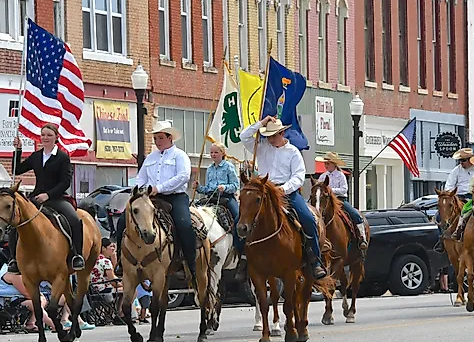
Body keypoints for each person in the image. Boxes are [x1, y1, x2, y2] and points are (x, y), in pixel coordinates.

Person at [240, 116, 327, 279]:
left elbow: (298, 176)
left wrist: (283, 189)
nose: (271, 139)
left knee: (308, 218)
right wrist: (261, 123)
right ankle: (242, 258)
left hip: (286, 193)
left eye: (274, 135)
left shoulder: (293, 152)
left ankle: (315, 260)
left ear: (282, 133)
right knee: (244, 218)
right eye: (268, 135)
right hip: (264, 191)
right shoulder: (262, 147)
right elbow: (243, 136)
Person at [116, 121, 198, 286]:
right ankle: (121, 260)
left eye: (160, 137)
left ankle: (190, 264)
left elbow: (183, 176)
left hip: (175, 197)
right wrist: (141, 189)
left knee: (184, 224)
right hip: (151, 198)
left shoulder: (180, 155)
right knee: (122, 222)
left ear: (170, 138)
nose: (157, 141)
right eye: (155, 137)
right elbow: (141, 177)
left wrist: (159, 187)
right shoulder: (151, 158)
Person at [11, 123, 84, 273]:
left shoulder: (63, 157)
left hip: (56, 198)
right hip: (36, 197)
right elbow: (17, 170)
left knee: (75, 221)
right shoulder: (36, 156)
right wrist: (18, 150)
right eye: (43, 135)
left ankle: (77, 255)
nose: (45, 138)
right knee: (15, 221)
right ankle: (13, 259)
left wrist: (48, 195)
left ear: (56, 137)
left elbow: (65, 182)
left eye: (49, 135)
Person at [192, 142, 246, 278]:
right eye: (211, 152)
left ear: (223, 153)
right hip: (211, 198)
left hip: (227, 198)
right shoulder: (209, 168)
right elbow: (208, 189)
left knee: (238, 218)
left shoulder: (229, 167)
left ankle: (240, 250)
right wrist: (199, 188)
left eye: (216, 152)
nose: (213, 155)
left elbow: (235, 185)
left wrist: (225, 187)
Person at [316, 152, 368, 250]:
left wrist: (331, 190)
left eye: (328, 163)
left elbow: (344, 189)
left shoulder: (340, 175)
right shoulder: (322, 176)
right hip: (326, 201)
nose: (326, 165)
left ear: (334, 164)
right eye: (325, 163)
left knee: (355, 214)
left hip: (340, 200)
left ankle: (362, 237)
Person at [0, 263, 56, 332]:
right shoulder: (12, 274)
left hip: (15, 298)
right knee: (36, 304)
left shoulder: (18, 271)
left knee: (41, 300)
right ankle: (54, 325)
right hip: (5, 302)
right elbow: (26, 293)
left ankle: (31, 323)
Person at [434, 148, 474, 253]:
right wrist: (448, 194)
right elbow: (449, 186)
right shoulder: (456, 171)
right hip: (459, 196)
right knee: (440, 215)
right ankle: (442, 239)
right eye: (460, 161)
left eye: (463, 160)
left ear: (470, 160)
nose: (461, 163)